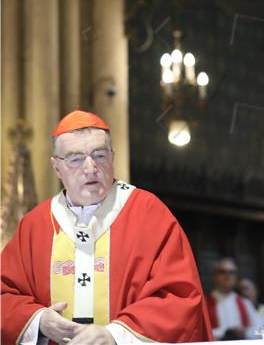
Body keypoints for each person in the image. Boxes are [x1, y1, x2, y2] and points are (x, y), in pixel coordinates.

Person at [1, 110, 212, 344]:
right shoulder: (35, 225)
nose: (90, 167)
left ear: (113, 156)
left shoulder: (149, 214)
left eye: (99, 155)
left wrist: (115, 335)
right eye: (75, 158)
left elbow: (179, 297)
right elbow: (5, 296)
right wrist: (39, 321)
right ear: (56, 167)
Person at [206, 258, 263, 340]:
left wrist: (244, 332)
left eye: (232, 272)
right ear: (214, 276)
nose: (228, 276)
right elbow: (200, 332)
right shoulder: (204, 304)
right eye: (222, 272)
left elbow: (260, 330)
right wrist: (226, 332)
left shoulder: (245, 303)